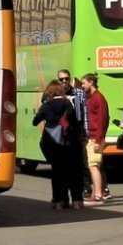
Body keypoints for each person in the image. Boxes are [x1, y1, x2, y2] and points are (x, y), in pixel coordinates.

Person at [33, 78, 86, 210]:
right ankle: (77, 200)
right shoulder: (67, 103)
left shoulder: (46, 105)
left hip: (53, 143)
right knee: (74, 171)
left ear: (49, 92)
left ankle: (59, 200)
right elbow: (74, 119)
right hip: (69, 142)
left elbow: (35, 122)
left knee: (57, 173)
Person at [81, 73, 111, 204]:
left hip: (95, 137)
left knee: (93, 165)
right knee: (93, 165)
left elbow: (103, 120)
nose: (82, 86)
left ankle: (98, 194)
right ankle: (98, 192)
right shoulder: (91, 97)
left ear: (91, 82)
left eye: (84, 83)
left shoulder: (98, 98)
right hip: (91, 136)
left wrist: (99, 140)